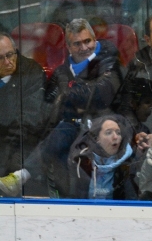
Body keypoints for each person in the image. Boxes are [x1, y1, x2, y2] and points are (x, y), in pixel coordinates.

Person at [41, 19, 124, 198]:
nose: (84, 47)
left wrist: (69, 93)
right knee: (53, 144)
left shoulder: (109, 61)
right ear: (69, 47)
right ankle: (62, 198)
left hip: (102, 127)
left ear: (95, 40)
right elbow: (49, 104)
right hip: (71, 127)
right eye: (77, 44)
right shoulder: (62, 72)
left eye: (87, 41)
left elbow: (101, 96)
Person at [0, 32, 46, 197]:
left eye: (10, 55)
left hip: (22, 146)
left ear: (16, 50)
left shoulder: (31, 72)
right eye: (0, 58)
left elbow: (28, 122)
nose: (7, 62)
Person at [66, 114, 138, 200]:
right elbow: (72, 196)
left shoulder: (127, 165)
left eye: (118, 133)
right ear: (96, 139)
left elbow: (132, 201)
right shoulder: (81, 163)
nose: (115, 137)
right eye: (108, 132)